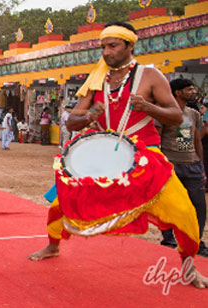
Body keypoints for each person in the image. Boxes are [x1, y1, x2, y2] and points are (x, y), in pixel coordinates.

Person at [27, 22, 207, 289]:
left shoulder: (150, 76)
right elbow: (71, 122)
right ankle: (53, 246)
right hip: (101, 150)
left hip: (145, 153)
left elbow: (176, 115)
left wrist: (147, 106)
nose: (106, 52)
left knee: (182, 209)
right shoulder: (97, 79)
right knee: (61, 201)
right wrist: (90, 116)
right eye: (103, 47)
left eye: (112, 46)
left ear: (130, 45)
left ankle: (189, 266)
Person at [158, 78, 208, 257]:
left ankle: (196, 240)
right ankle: (169, 241)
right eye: (189, 89)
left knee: (199, 206)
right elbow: (157, 139)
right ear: (177, 92)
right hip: (171, 165)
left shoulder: (193, 114)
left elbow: (196, 141)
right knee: (170, 206)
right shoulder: (164, 113)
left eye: (193, 88)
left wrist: (200, 165)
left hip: (192, 165)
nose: (194, 91)